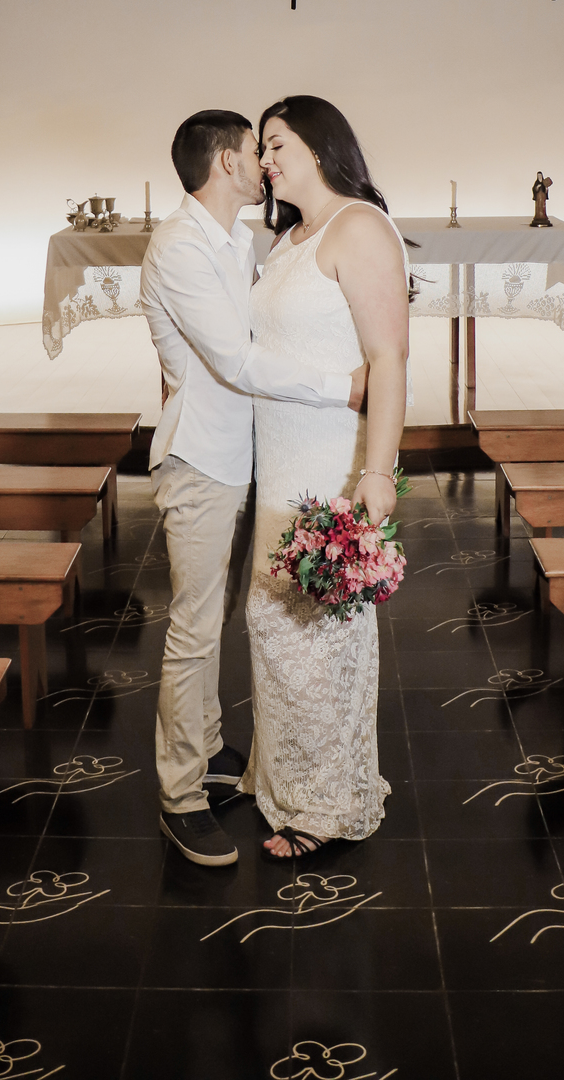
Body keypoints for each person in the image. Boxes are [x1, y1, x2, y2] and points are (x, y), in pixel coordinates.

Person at [140, 110, 366, 868]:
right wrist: (342, 387)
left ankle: (207, 749)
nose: (265, 163)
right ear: (224, 163)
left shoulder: (238, 239)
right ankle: (180, 795)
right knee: (195, 630)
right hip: (203, 458)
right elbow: (236, 362)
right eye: (255, 150)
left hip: (250, 455)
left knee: (221, 614)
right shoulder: (181, 245)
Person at [239, 95, 409, 861]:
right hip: (280, 456)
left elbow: (389, 359)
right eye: (262, 147)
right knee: (274, 622)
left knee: (318, 630)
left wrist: (377, 471)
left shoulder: (358, 227)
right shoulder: (289, 237)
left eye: (277, 143)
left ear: (319, 145)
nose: (266, 159)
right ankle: (286, 775)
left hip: (327, 459)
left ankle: (327, 800)